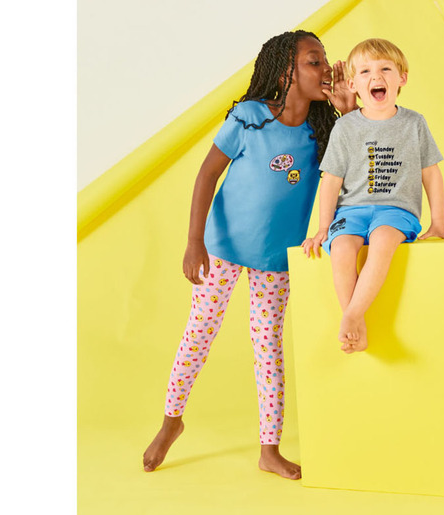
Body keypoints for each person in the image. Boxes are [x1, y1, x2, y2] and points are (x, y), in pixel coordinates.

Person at [142, 31, 355, 478]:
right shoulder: (249, 117)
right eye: (314, 61)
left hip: (276, 260)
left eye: (325, 60)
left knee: (268, 348)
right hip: (222, 248)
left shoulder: (325, 132)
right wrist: (194, 241)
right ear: (285, 73)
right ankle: (171, 421)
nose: (326, 69)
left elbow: (353, 175)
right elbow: (207, 175)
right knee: (198, 334)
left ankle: (269, 450)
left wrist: (350, 112)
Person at [302, 38, 444, 354]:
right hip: (351, 211)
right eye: (365, 71)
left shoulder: (414, 123)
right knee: (342, 248)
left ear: (402, 78)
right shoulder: (345, 127)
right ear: (353, 85)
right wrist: (323, 227)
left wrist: (440, 221)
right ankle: (356, 323)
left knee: (382, 240)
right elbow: (331, 180)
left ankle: (351, 316)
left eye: (385, 69)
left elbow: (431, 172)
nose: (375, 76)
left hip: (396, 210)